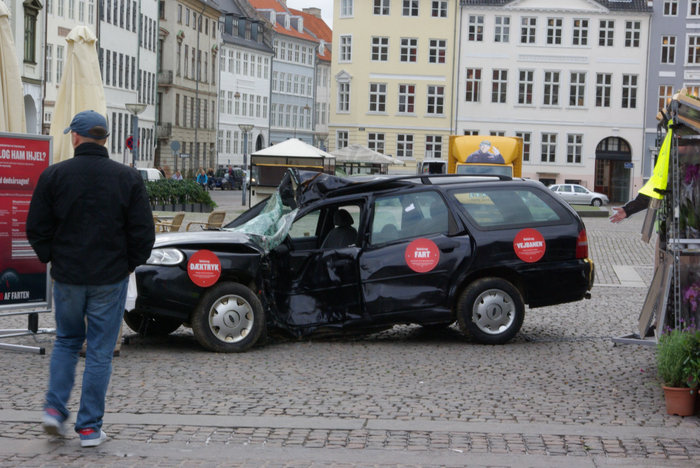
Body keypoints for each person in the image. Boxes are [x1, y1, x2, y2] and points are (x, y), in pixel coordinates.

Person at [25, 110, 155, 448]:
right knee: (99, 351)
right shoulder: (127, 178)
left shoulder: (54, 176)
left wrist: (52, 257)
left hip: (68, 276)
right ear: (106, 139)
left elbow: (36, 228)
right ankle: (88, 428)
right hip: (109, 277)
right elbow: (143, 232)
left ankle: (54, 410)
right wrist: (128, 264)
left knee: (67, 341)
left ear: (76, 137)